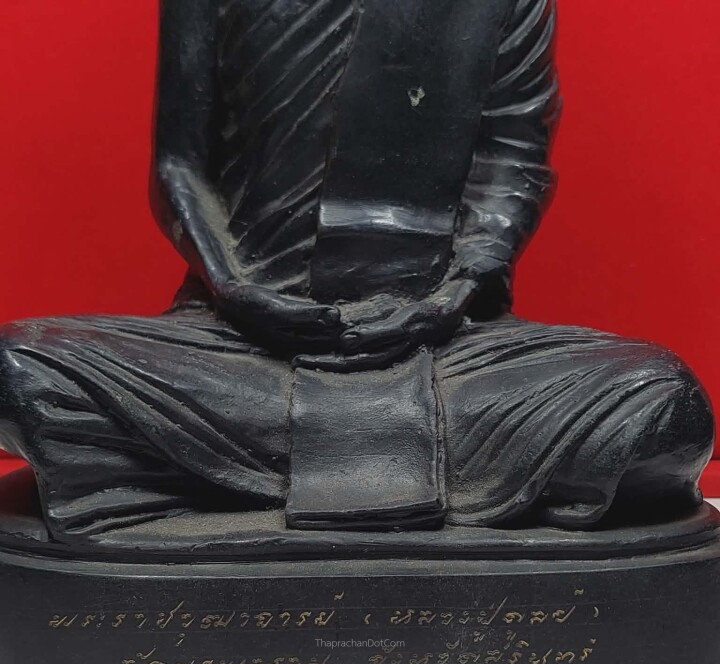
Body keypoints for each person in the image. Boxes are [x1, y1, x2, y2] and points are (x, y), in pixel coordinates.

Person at [0, 0, 713, 540]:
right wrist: (233, 289)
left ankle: (220, 475)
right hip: (239, 343)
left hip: (439, 344)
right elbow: (179, 165)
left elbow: (513, 157)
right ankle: (444, 479)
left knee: (657, 399)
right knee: (22, 368)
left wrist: (456, 291)